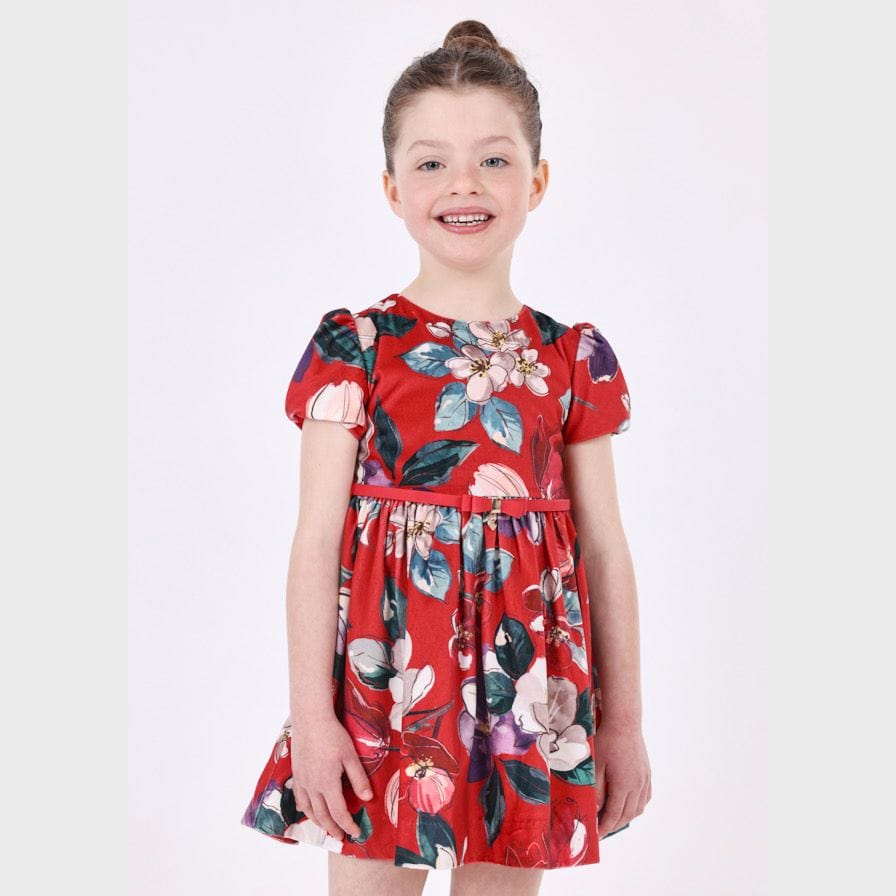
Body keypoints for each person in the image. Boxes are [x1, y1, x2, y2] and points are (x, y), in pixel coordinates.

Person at [241, 19, 651, 896]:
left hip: (528, 695)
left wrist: (623, 723)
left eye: (494, 159)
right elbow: (316, 541)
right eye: (431, 163)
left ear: (536, 181)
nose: (464, 184)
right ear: (392, 189)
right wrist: (312, 718)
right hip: (387, 692)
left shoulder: (570, 359)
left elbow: (605, 548)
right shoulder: (355, 349)